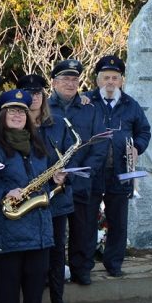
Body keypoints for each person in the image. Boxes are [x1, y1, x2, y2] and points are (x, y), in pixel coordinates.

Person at [0, 89, 64, 303]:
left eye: (21, 112)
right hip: (9, 224)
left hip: (38, 224)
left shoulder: (38, 146)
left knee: (36, 279)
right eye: (12, 111)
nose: (17, 115)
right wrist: (6, 192)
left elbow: (44, 184)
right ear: (2, 116)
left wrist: (56, 180)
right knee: (10, 282)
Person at [86, 55, 151, 278]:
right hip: (92, 171)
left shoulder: (131, 105)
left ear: (121, 81)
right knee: (86, 221)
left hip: (120, 171)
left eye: (115, 77)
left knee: (118, 222)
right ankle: (83, 267)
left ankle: (114, 264)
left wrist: (138, 147)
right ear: (98, 81)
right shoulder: (85, 101)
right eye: (106, 78)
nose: (110, 82)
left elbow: (144, 131)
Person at [19, 73, 76, 303]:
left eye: (38, 93)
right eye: (29, 93)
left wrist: (65, 175)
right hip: (30, 200)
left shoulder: (58, 124)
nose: (34, 98)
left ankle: (57, 302)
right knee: (32, 257)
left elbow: (70, 157)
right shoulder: (15, 124)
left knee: (56, 255)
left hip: (57, 198)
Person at [46, 59, 103, 284]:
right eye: (65, 79)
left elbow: (99, 144)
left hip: (80, 179)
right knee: (54, 235)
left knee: (83, 229)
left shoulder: (90, 108)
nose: (70, 84)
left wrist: (85, 171)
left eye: (74, 79)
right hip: (52, 182)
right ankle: (53, 276)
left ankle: (81, 271)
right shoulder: (44, 108)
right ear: (54, 83)